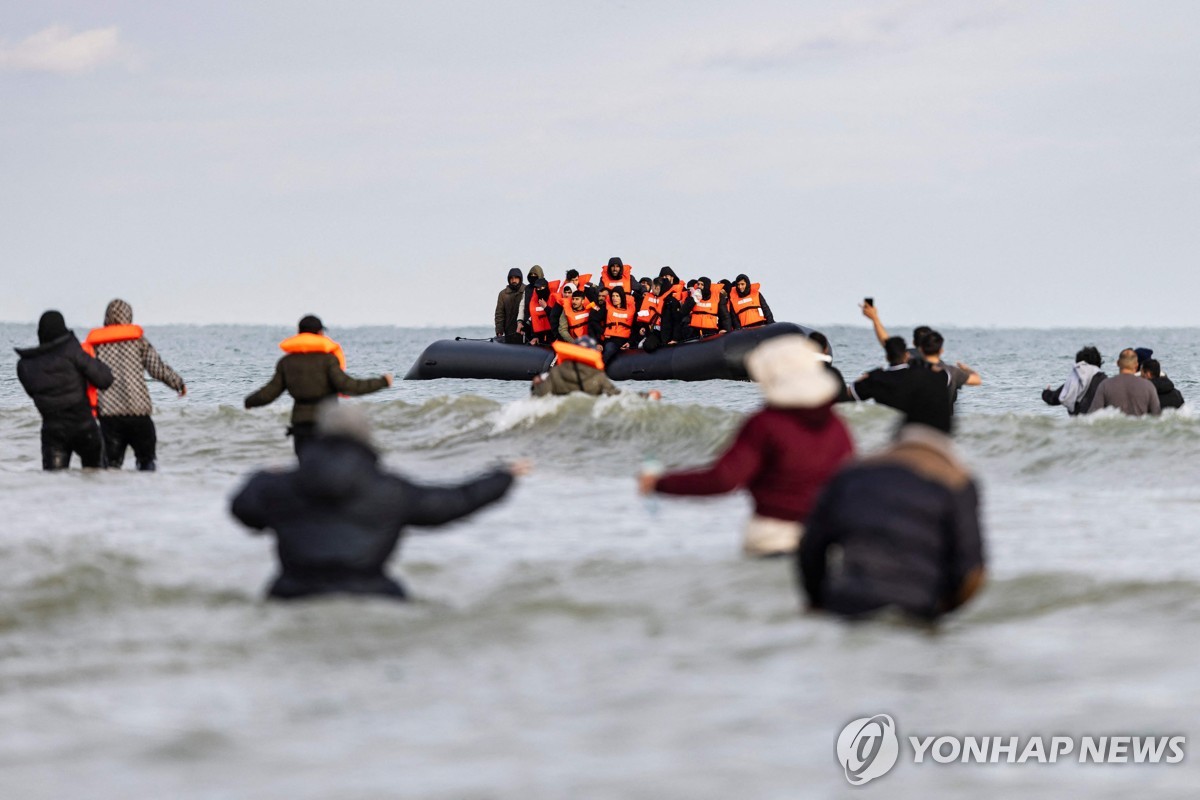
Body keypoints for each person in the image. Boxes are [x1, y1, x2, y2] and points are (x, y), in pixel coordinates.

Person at [230, 401, 526, 601]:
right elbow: (452, 502)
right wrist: (503, 477)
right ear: (366, 439)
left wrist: (263, 477)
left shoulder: (281, 486)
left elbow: (243, 509)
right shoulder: (390, 489)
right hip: (371, 595)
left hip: (292, 595)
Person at [639, 336, 853, 556]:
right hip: (825, 536)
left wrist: (659, 484)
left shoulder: (766, 423)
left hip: (773, 535)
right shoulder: (837, 425)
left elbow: (724, 479)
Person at [798, 407, 986, 622]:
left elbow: (811, 547)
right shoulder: (957, 482)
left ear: (897, 435)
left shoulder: (851, 473)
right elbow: (972, 573)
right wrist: (941, 610)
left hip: (847, 603)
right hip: (916, 607)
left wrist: (817, 601)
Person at [244, 315, 393, 455]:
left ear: (299, 333)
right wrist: (382, 382)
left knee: (306, 471)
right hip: (326, 424)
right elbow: (349, 386)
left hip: (301, 426)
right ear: (320, 333)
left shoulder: (286, 362)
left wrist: (250, 401)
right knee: (327, 473)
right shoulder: (328, 360)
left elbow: (270, 392)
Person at [83, 299, 186, 471]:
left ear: (106, 318)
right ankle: (146, 495)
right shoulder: (138, 341)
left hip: (109, 415)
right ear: (128, 317)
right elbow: (157, 369)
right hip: (138, 413)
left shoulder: (96, 345)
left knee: (111, 467)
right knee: (147, 463)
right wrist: (178, 383)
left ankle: (112, 497)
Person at [15, 310, 115, 470]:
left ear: (40, 334)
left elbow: (32, 393)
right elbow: (105, 379)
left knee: (54, 485)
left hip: (53, 432)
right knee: (97, 481)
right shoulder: (72, 351)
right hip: (84, 428)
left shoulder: (25, 366)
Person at [531, 336, 620, 397]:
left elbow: (540, 393)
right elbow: (616, 396)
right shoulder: (598, 376)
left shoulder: (556, 372)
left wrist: (535, 385)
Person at [1088, 348, 1160, 416]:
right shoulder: (1148, 386)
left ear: (1118, 363)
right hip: (1140, 428)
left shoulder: (1105, 385)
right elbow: (1157, 415)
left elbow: (1093, 414)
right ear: (1137, 365)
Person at [918, 331, 981, 406]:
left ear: (920, 349)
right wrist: (966, 369)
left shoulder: (911, 370)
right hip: (944, 416)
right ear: (941, 351)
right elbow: (977, 380)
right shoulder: (952, 371)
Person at [861, 301, 931, 365]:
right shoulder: (939, 364)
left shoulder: (906, 355)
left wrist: (875, 318)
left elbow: (887, 343)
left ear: (913, 342)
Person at [1042, 346, 1106, 415]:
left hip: (1078, 421)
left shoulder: (1076, 380)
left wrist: (1046, 393)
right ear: (1099, 363)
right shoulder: (1105, 380)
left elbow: (1053, 399)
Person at [600, 286, 634, 363]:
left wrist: (630, 342)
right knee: (609, 350)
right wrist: (602, 332)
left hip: (624, 340)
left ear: (621, 297)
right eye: (613, 296)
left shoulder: (630, 309)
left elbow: (635, 327)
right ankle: (596, 369)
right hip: (611, 339)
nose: (614, 298)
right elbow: (594, 321)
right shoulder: (607, 308)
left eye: (617, 296)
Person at [495, 268, 525, 343]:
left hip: (524, 331)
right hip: (509, 331)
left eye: (516, 278)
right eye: (511, 278)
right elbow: (499, 314)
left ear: (520, 278)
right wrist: (499, 331)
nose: (514, 280)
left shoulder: (526, 290)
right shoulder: (503, 294)